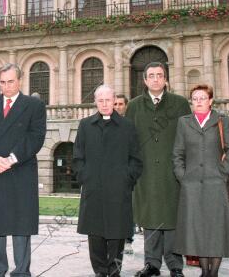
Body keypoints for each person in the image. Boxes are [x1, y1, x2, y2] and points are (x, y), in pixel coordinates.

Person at [0, 63, 47, 277]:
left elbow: (36, 137)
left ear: (20, 81)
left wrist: (11, 158)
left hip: (20, 171)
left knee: (20, 225)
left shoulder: (33, 105)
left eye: (11, 82)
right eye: (2, 82)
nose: (6, 86)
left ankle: (21, 271)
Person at [125, 62, 190, 277]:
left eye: (159, 75)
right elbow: (129, 140)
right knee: (150, 217)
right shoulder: (134, 106)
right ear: (144, 80)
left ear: (165, 79)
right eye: (151, 76)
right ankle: (152, 264)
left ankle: (174, 264)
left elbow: (186, 137)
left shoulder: (180, 104)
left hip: (172, 172)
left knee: (172, 218)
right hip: (146, 174)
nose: (155, 79)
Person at [172, 85, 229, 277]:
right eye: (195, 98)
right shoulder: (184, 122)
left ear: (211, 100)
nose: (199, 101)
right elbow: (178, 152)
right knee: (198, 228)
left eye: (203, 98)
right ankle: (204, 271)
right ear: (191, 102)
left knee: (216, 227)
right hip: (191, 184)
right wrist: (183, 176)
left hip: (216, 183)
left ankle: (214, 273)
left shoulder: (222, 120)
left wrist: (224, 173)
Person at [74, 85, 143, 277]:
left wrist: (126, 180)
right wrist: (85, 177)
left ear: (114, 101)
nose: (105, 104)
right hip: (93, 189)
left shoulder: (127, 126)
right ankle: (100, 272)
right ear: (95, 102)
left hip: (118, 190)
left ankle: (114, 272)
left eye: (108, 100)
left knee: (117, 234)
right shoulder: (85, 125)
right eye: (100, 100)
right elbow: (78, 157)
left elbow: (136, 159)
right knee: (94, 234)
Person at [113, 94, 134, 255]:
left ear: (126, 106)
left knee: (127, 209)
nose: (118, 107)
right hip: (110, 175)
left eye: (121, 104)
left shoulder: (130, 124)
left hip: (126, 174)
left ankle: (128, 240)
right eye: (116, 104)